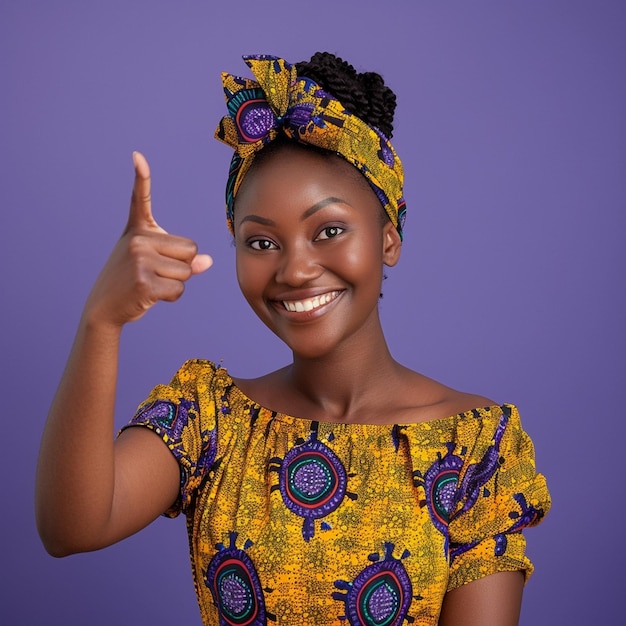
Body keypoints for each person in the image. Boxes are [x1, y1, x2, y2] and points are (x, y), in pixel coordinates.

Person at [35, 53, 550, 626]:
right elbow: (70, 528)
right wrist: (100, 323)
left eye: (328, 231)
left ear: (388, 239)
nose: (295, 270)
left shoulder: (476, 448)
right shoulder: (212, 420)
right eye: (261, 242)